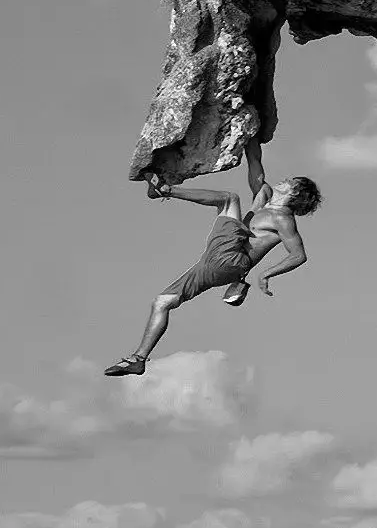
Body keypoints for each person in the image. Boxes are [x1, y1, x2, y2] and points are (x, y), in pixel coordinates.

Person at [104, 141, 320, 377]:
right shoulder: (264, 197)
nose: (286, 178)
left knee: (229, 199)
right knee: (162, 303)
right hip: (217, 264)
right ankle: (138, 359)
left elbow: (299, 255)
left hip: (232, 259)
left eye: (291, 181)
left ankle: (165, 190)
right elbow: (255, 162)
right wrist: (251, 133)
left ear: (295, 192)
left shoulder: (283, 219)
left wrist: (266, 274)